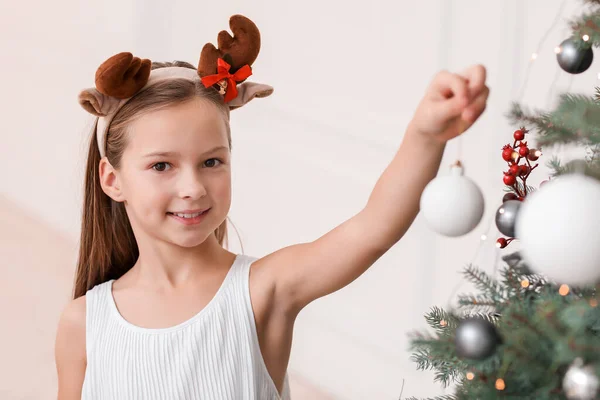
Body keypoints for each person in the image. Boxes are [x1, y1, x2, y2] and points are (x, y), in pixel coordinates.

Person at [54, 14, 489, 400]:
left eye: (211, 162)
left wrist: (426, 135)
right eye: (162, 165)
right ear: (113, 179)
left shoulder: (262, 290)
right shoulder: (84, 324)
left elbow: (371, 229)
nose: (193, 187)